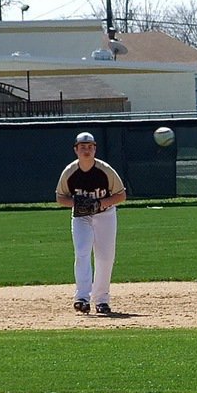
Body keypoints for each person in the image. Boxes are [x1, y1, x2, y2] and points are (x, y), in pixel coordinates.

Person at [55, 131, 127, 315]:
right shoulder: (70, 172)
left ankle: (102, 300)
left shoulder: (105, 170)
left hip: (105, 215)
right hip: (81, 217)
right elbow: (60, 197)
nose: (86, 150)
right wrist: (77, 203)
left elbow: (121, 195)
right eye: (82, 147)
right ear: (76, 150)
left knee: (105, 257)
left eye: (90, 147)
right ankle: (82, 298)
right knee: (82, 252)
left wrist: (100, 203)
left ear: (95, 149)